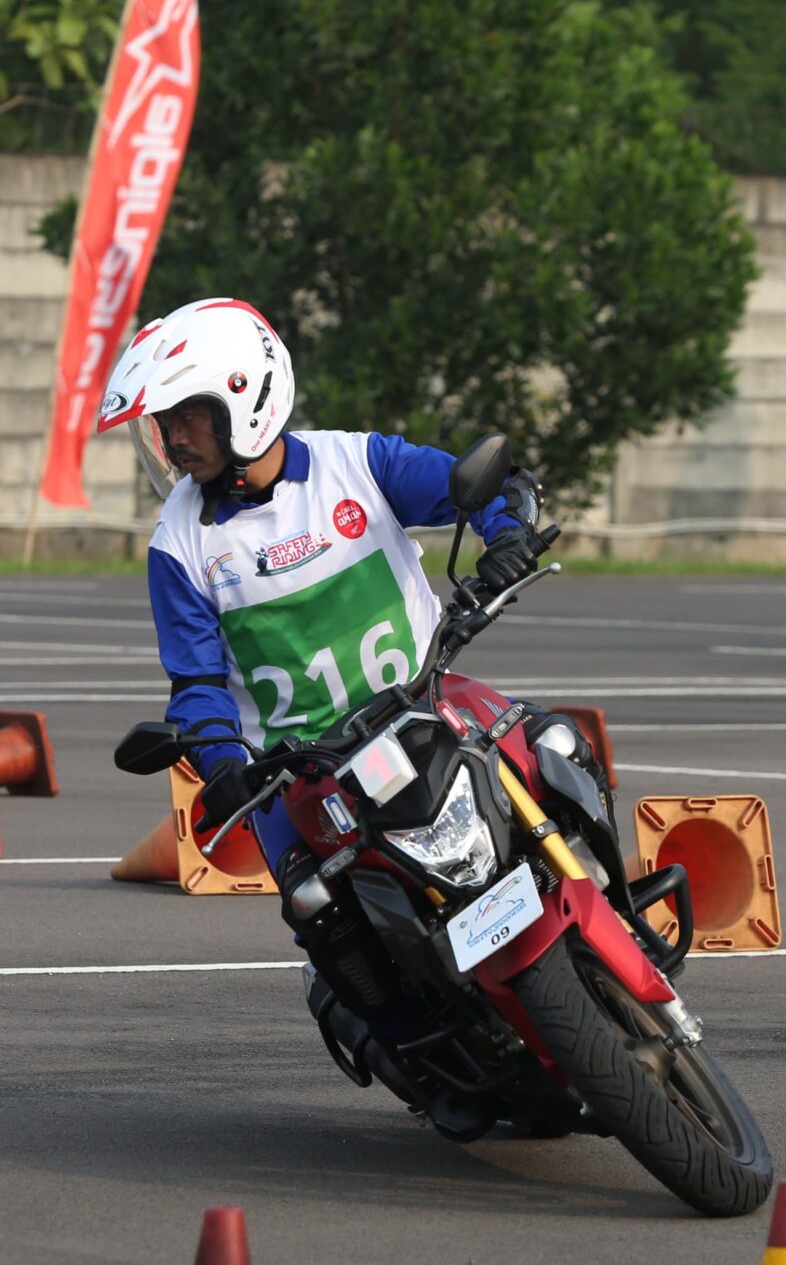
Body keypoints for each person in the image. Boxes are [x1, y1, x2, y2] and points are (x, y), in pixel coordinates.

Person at [99, 297, 547, 883]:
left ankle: (616, 901)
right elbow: (197, 684)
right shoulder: (177, 543)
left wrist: (509, 537)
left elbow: (493, 486)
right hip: (300, 775)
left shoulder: (358, 464)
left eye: (188, 415)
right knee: (317, 909)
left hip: (426, 711)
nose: (174, 438)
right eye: (165, 422)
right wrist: (223, 763)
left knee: (557, 750)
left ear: (245, 399)